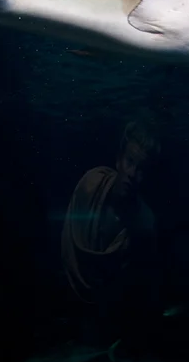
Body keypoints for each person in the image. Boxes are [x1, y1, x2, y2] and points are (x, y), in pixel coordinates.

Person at [61, 117, 160, 345]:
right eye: (130, 161)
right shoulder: (90, 184)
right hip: (63, 299)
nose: (133, 173)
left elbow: (137, 285)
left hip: (108, 319)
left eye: (142, 169)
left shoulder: (144, 225)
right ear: (119, 159)